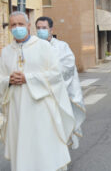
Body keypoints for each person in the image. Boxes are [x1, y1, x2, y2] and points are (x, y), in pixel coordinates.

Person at [0, 11, 75, 171]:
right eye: (13, 25)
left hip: (41, 110)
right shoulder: (7, 52)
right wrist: (8, 80)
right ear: (9, 28)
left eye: (20, 24)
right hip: (17, 111)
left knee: (43, 149)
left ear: (28, 26)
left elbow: (56, 74)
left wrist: (28, 78)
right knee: (22, 151)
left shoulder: (43, 47)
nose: (17, 28)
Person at [35, 16, 86, 149]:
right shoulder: (32, 47)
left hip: (58, 95)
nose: (41, 30)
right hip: (37, 95)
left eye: (44, 28)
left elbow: (68, 67)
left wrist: (46, 75)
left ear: (51, 29)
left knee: (58, 129)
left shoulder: (62, 47)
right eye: (38, 28)